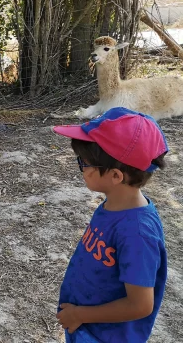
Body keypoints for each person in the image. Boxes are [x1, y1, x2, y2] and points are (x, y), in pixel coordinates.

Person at [53, 107, 169, 343]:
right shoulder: (114, 204)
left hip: (105, 336)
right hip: (87, 327)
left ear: (116, 176)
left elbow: (140, 304)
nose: (81, 169)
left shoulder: (138, 233)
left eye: (83, 163)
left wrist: (79, 314)